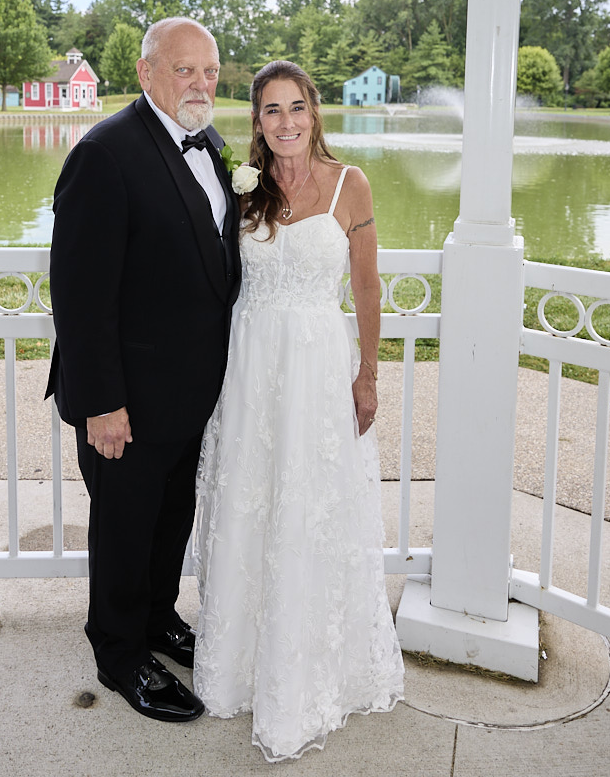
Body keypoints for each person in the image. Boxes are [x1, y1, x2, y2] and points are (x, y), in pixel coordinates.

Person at [194, 59, 404, 761]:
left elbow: (367, 288)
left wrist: (368, 374)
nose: (286, 122)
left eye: (296, 107)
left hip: (318, 368)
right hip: (251, 370)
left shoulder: (351, 183)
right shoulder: (240, 188)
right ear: (256, 121)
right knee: (252, 504)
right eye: (271, 109)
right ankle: (240, 664)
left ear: (314, 113)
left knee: (313, 506)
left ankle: (315, 667)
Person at [46, 17, 241, 723]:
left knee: (170, 520)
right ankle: (120, 652)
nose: (200, 84)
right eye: (184, 70)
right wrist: (102, 402)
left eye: (210, 72)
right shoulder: (105, 153)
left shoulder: (209, 142)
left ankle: (158, 619)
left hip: (189, 393)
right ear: (145, 72)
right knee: (125, 529)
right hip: (124, 398)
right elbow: (79, 294)